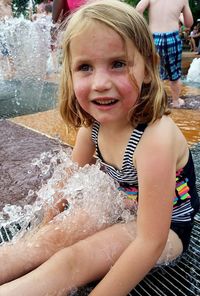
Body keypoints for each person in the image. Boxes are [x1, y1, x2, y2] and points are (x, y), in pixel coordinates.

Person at [0, 1, 199, 295]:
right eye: (85, 67)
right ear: (69, 74)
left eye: (118, 63)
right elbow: (65, 184)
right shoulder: (91, 127)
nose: (101, 83)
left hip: (166, 230)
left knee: (72, 260)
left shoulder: (154, 139)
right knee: (41, 244)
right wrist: (45, 228)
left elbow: (149, 242)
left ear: (148, 69)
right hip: (124, 210)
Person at [136, 0, 193, 108]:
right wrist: (180, 17)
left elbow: (138, 10)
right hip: (172, 39)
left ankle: (155, 101)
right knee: (174, 73)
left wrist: (144, 28)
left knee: (153, 71)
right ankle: (176, 101)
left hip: (153, 38)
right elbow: (189, 23)